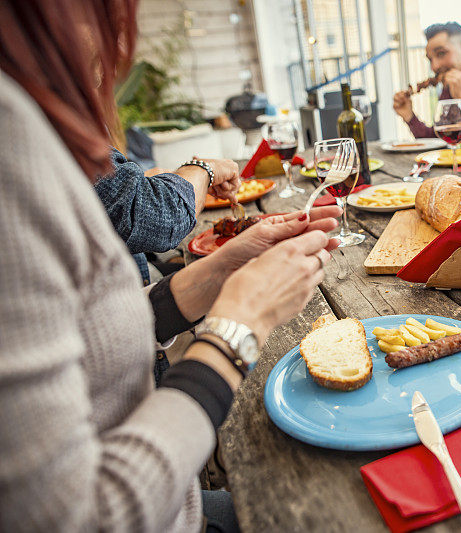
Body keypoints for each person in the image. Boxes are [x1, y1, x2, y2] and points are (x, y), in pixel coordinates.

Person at [0, 2, 341, 531]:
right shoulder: (11, 139)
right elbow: (79, 518)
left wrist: (217, 273)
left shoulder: (29, 122)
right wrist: (237, 330)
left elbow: (85, 337)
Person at [95, 148, 242, 284]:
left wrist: (149, 183)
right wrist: (205, 169)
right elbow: (161, 216)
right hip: (121, 292)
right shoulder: (74, 137)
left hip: (137, 267)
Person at [392, 22, 461, 145]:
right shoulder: (448, 84)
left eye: (441, 53)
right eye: (430, 59)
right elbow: (439, 139)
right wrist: (409, 117)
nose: (434, 66)